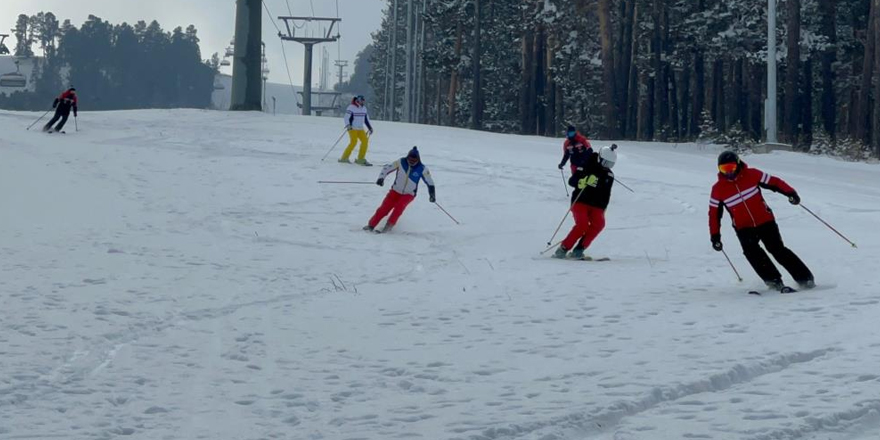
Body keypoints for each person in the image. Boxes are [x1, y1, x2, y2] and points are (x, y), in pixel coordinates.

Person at [709, 151, 815, 291]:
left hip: (765, 221)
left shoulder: (752, 174)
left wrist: (790, 193)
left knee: (777, 249)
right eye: (724, 169)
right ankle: (774, 281)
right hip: (743, 227)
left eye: (731, 167)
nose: (729, 172)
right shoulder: (718, 190)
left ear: (738, 164)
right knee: (752, 253)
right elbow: (714, 215)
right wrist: (715, 236)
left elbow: (774, 182)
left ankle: (805, 279)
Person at [554, 145, 617, 259]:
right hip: (581, 201)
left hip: (597, 205)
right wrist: (582, 182)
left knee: (599, 224)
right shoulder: (586, 164)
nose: (607, 167)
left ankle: (579, 250)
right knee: (582, 225)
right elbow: (572, 181)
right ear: (600, 158)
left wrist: (603, 209)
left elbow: (606, 194)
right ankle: (563, 249)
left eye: (610, 164)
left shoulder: (609, 175)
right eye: (605, 163)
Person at [364, 147, 436, 233]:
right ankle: (371, 225)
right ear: (407, 157)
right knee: (384, 208)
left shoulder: (422, 168)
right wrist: (381, 178)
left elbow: (430, 182)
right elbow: (387, 168)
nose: (411, 162)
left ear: (418, 159)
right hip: (395, 191)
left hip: (409, 194)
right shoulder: (401, 162)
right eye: (410, 160)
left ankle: (387, 228)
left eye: (414, 160)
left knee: (399, 207)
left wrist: (432, 194)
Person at [339, 94, 374, 166]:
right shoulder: (351, 107)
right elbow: (346, 117)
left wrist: (370, 128)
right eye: (361, 100)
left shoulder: (364, 108)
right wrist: (348, 125)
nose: (363, 102)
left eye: (363, 101)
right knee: (353, 142)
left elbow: (366, 119)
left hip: (360, 128)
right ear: (358, 100)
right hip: (352, 128)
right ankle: (344, 158)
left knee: (365, 141)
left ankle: (360, 159)